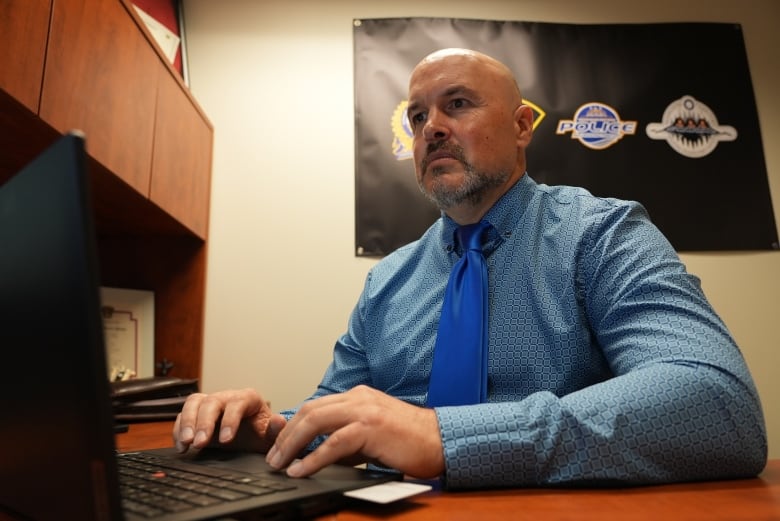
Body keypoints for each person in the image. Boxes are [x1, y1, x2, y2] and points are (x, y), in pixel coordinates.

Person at [174, 48, 767, 489]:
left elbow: (719, 407)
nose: (430, 127)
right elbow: (338, 416)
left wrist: (448, 438)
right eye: (416, 117)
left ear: (520, 126)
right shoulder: (388, 281)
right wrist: (270, 431)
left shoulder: (602, 233)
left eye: (457, 104)